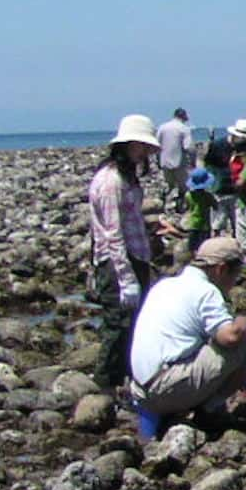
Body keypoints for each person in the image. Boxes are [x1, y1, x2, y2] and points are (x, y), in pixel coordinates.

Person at [128, 236, 246, 427]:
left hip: (141, 389)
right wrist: (243, 319)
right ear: (221, 269)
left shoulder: (164, 284)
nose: (235, 281)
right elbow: (229, 338)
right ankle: (209, 410)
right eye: (236, 274)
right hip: (165, 389)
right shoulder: (206, 291)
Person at [88, 114, 160, 392]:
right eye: (142, 147)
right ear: (128, 144)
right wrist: (126, 278)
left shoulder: (127, 177)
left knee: (132, 326)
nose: (145, 154)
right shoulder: (110, 181)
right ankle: (105, 386)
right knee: (117, 327)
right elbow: (112, 234)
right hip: (118, 264)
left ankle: (127, 382)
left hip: (136, 257)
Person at [156, 108, 194, 211]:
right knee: (183, 186)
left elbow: (157, 145)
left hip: (164, 162)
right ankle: (179, 206)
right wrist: (193, 161)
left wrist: (157, 160)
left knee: (169, 185)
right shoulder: (184, 129)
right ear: (183, 116)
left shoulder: (162, 127)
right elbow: (188, 147)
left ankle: (161, 203)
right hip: (179, 162)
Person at [181, 167, 219, 260]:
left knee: (192, 247)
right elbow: (216, 206)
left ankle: (191, 260)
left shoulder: (188, 195)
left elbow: (186, 207)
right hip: (204, 225)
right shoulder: (207, 196)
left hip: (192, 223)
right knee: (204, 246)